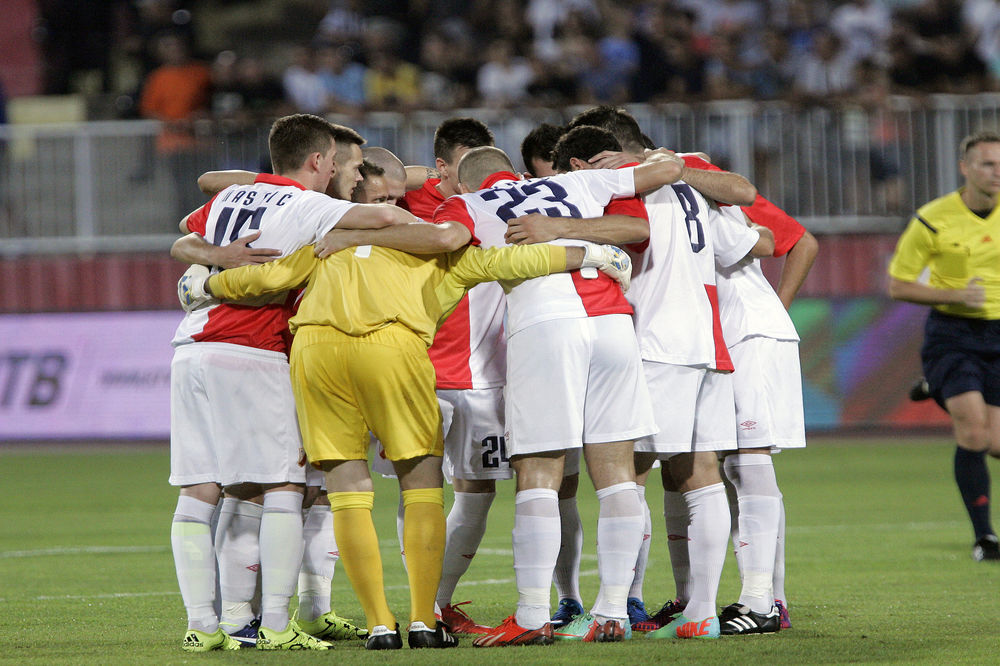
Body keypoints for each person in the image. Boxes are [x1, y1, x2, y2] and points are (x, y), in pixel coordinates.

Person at [179, 211, 635, 650]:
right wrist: (591, 255)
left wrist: (202, 283)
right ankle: (422, 619)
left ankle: (379, 623)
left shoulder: (326, 242)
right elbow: (510, 261)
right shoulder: (439, 250)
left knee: (346, 490)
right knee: (421, 486)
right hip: (392, 347)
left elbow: (266, 279)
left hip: (316, 351)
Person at [168, 114, 417, 652]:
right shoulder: (309, 204)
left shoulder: (234, 198)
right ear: (318, 162)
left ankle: (204, 626)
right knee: (284, 485)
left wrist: (216, 257)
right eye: (337, 162)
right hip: (252, 351)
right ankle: (278, 624)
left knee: (201, 488)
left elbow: (181, 241)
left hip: (191, 348)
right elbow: (381, 217)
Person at [428, 145, 685, 647]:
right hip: (613, 323)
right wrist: (621, 166)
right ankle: (612, 611)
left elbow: (446, 240)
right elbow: (671, 169)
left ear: (464, 184)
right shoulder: (577, 183)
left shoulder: (465, 205)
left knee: (539, 472)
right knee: (616, 472)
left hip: (544, 325)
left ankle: (530, 616)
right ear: (522, 174)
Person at [887, 130, 1000, 562]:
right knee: (972, 431)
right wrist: (954, 296)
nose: (996, 172)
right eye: (987, 163)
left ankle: (937, 390)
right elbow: (897, 285)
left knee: (994, 442)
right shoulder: (933, 219)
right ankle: (985, 538)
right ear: (965, 169)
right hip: (954, 334)